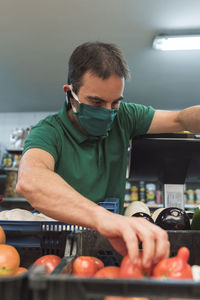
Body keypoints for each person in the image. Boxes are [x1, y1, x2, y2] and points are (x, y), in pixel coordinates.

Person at [16, 42, 200, 269]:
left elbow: (180, 120)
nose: (107, 112)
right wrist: (101, 217)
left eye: (114, 103)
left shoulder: (125, 117)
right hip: (57, 247)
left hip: (110, 247)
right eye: (96, 102)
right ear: (71, 95)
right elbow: (30, 180)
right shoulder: (48, 131)